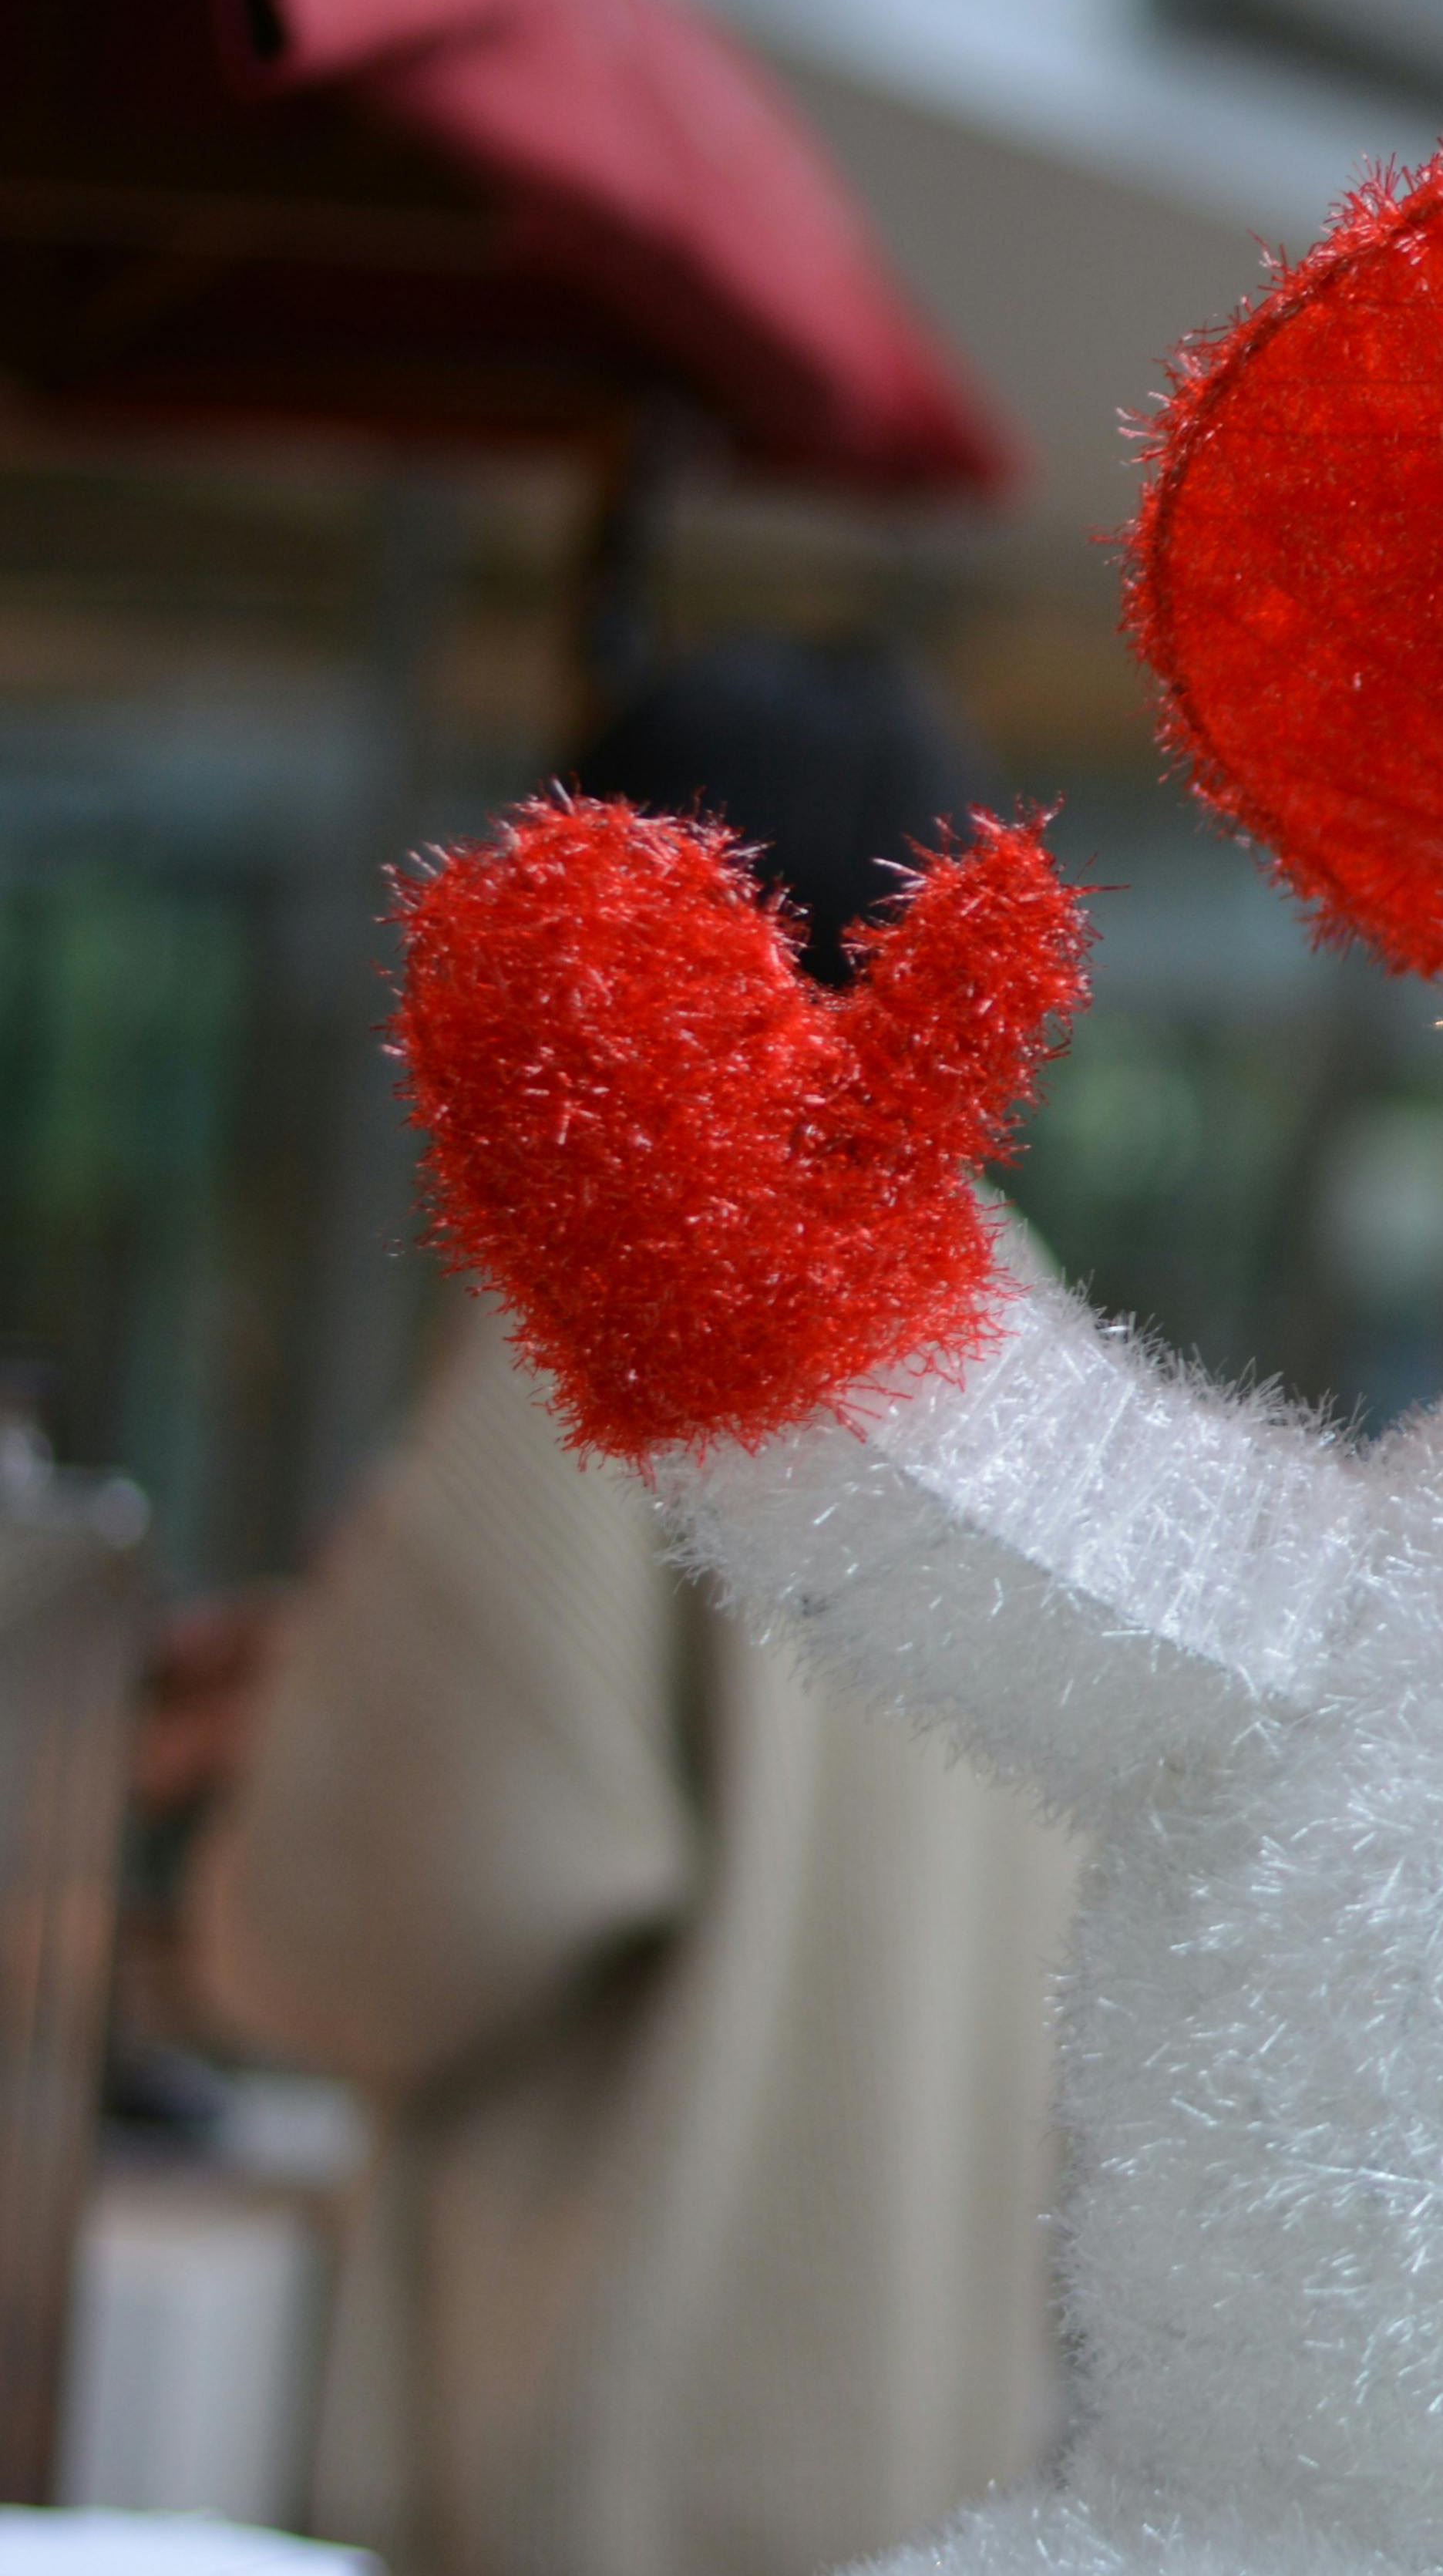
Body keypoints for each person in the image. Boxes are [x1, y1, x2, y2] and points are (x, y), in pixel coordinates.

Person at [187, 636, 1079, 2576]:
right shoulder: (1014, 1314)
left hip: (624, 2465)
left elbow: (398, 1908)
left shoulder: (631, 1285)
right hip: (940, 2459)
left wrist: (257, 1816)